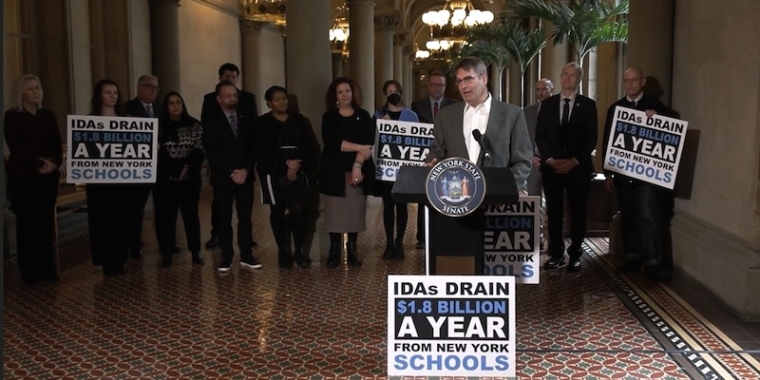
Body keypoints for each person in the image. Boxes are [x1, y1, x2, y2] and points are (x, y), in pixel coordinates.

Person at [603, 67, 674, 281]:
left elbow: (668, 136)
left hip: (646, 176)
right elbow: (608, 139)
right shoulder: (615, 108)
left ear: (642, 82)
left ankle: (651, 259)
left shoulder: (656, 106)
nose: (630, 84)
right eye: (626, 80)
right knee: (628, 215)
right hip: (623, 174)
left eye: (633, 80)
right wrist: (608, 173)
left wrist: (657, 118)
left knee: (646, 215)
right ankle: (632, 256)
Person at [426, 57, 532, 185]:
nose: (463, 86)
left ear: (484, 78)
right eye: (459, 81)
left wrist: (505, 188)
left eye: (468, 79)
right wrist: (431, 163)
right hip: (457, 196)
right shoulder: (445, 116)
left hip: (496, 199)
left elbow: (523, 161)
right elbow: (437, 152)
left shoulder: (512, 114)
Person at [535, 62, 598, 273]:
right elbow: (540, 136)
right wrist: (550, 159)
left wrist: (574, 161)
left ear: (579, 79)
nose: (567, 78)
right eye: (564, 74)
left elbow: (591, 139)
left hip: (578, 168)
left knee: (578, 211)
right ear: (560, 77)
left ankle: (576, 254)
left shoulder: (588, 105)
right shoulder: (548, 104)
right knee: (554, 212)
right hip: (552, 167)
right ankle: (556, 253)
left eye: (572, 75)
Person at [4, 74, 62, 285]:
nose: (36, 91)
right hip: (24, 178)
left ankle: (47, 269)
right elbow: (16, 148)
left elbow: (57, 142)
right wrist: (40, 163)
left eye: (37, 87)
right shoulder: (12, 116)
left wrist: (55, 163)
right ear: (21, 93)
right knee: (28, 225)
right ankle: (30, 272)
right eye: (30, 88)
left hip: (48, 177)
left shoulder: (48, 115)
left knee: (45, 223)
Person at [202, 80, 260, 273]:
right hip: (222, 178)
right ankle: (227, 257)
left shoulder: (247, 117)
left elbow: (253, 146)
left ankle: (246, 255)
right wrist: (231, 171)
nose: (232, 98)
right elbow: (211, 151)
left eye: (235, 95)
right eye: (228, 95)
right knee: (223, 219)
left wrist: (246, 170)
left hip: (245, 176)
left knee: (245, 218)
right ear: (219, 99)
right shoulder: (211, 120)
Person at [318, 77, 375, 268]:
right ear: (335, 96)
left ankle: (352, 249)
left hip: (356, 172)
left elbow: (369, 144)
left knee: (354, 212)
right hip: (333, 171)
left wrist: (357, 164)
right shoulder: (329, 117)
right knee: (334, 213)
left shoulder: (364, 115)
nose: (344, 95)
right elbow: (333, 142)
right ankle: (334, 250)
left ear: (353, 93)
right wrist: (360, 147)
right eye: (340, 91)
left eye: (347, 91)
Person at [255, 86, 313, 269]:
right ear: (269, 103)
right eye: (277, 99)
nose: (282, 101)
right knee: (277, 211)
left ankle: (298, 252)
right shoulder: (262, 123)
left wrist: (296, 164)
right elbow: (263, 149)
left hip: (298, 169)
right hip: (272, 172)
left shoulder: (299, 120)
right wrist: (286, 162)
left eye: (284, 98)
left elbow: (307, 144)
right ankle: (282, 251)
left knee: (298, 210)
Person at [85, 79, 131, 277]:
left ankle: (120, 258)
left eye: (115, 92)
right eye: (108, 92)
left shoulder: (127, 119)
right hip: (98, 182)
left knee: (121, 218)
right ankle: (105, 260)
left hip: (120, 181)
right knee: (101, 220)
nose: (113, 96)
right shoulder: (89, 120)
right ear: (99, 96)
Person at [154, 91, 205, 268]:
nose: (175, 106)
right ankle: (167, 252)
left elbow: (198, 151)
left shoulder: (194, 125)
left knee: (191, 216)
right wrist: (175, 169)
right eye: (171, 103)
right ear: (166, 107)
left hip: (189, 180)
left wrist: (186, 168)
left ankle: (195, 251)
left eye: (178, 102)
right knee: (166, 217)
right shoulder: (158, 127)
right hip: (165, 180)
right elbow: (157, 153)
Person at [373, 80, 419, 260]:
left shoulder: (411, 115)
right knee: (388, 206)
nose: (393, 93)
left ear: (400, 93)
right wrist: (380, 127)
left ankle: (399, 242)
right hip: (385, 169)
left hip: (404, 171)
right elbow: (373, 141)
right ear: (385, 94)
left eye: (396, 91)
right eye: (389, 91)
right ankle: (389, 243)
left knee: (402, 206)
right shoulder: (378, 114)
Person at [410, 71, 457, 250]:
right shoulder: (417, 106)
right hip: (425, 157)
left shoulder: (454, 105)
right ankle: (422, 236)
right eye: (434, 84)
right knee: (425, 197)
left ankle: (443, 234)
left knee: (447, 195)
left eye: (441, 85)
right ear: (428, 85)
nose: (437, 88)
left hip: (447, 156)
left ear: (445, 87)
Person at [124, 74, 162, 258]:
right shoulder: (127, 109)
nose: (153, 90)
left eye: (156, 87)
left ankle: (165, 243)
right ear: (138, 88)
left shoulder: (160, 108)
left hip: (160, 166)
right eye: (149, 87)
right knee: (135, 209)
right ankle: (133, 243)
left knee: (162, 208)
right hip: (138, 169)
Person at [522, 78, 554, 250]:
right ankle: (537, 238)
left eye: (545, 89)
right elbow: (521, 139)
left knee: (552, 205)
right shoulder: (526, 112)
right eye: (538, 89)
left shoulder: (559, 110)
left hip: (553, 164)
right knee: (534, 202)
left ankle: (552, 240)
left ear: (552, 89)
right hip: (533, 162)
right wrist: (530, 157)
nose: (541, 92)